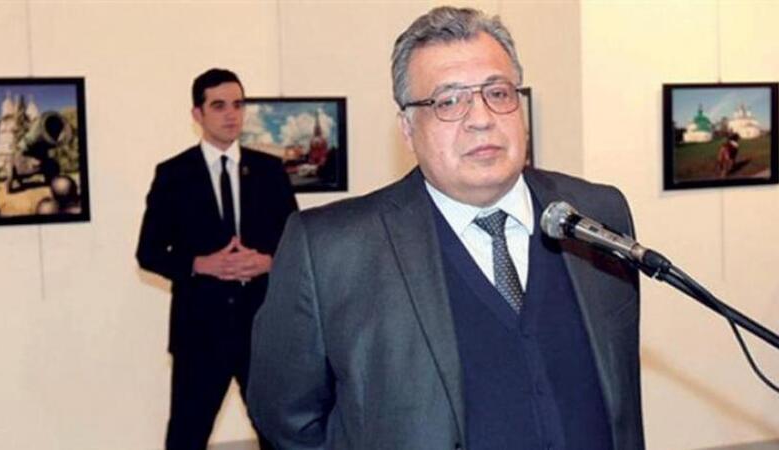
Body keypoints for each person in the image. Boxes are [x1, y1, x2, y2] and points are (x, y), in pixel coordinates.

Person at [248, 6, 644, 450]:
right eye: (449, 101)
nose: (481, 118)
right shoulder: (330, 250)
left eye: (498, 92)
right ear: (407, 127)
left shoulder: (597, 213)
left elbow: (622, 395)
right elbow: (286, 418)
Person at [137, 68, 297, 450]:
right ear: (198, 114)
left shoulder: (270, 171)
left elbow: (297, 244)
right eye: (219, 105)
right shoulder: (174, 175)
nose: (231, 114)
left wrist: (270, 262)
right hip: (200, 332)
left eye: (238, 105)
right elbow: (148, 252)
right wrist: (199, 264)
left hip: (261, 330)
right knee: (187, 438)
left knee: (281, 437)